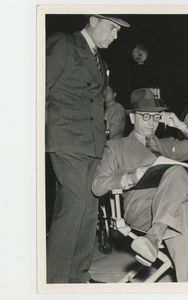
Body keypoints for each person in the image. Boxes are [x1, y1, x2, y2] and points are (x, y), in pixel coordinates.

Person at [92, 88, 188, 282]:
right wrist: (130, 177)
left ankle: (153, 239)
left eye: (156, 117)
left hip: (164, 216)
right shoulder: (117, 147)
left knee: (176, 173)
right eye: (146, 116)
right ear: (133, 119)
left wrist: (181, 125)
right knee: (182, 210)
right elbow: (97, 185)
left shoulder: (168, 145)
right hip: (143, 212)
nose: (151, 122)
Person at [45, 14, 130, 283]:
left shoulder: (100, 61)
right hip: (66, 137)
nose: (115, 36)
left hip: (92, 144)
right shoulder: (64, 44)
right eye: (112, 27)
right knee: (74, 206)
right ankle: (56, 280)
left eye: (118, 31)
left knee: (89, 208)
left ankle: (78, 276)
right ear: (93, 19)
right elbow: (38, 88)